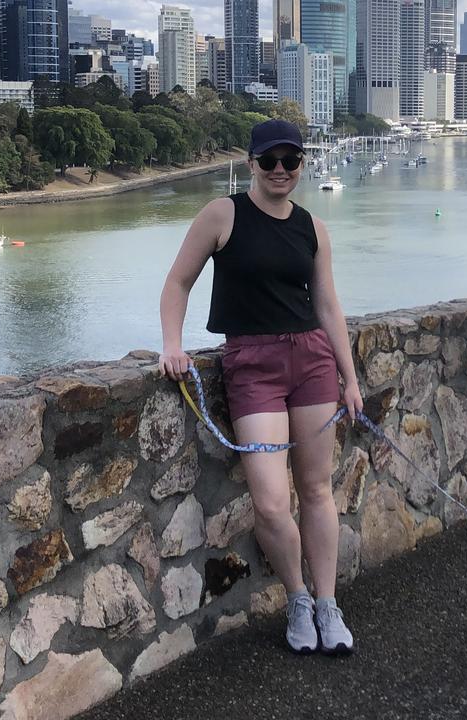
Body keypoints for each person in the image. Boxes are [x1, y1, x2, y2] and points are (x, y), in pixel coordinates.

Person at [158, 119, 363, 655]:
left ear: (301, 165)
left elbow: (327, 305)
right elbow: (178, 281)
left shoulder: (313, 228)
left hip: (313, 361)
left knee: (317, 491)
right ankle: (297, 596)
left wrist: (350, 376)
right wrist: (172, 344)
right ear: (250, 163)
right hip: (251, 364)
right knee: (272, 503)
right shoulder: (223, 214)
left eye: (290, 161)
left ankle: (327, 603)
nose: (279, 170)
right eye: (268, 160)